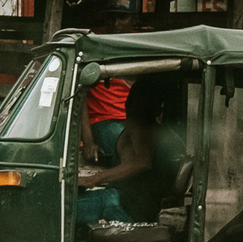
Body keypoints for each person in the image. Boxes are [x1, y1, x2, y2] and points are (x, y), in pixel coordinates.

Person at [78, 72, 187, 225]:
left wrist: (93, 179)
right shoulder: (159, 130)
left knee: (64, 207)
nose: (130, 101)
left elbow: (142, 161)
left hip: (124, 206)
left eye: (135, 96)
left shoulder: (140, 125)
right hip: (140, 209)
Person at [81, 0, 137, 166]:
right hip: (104, 120)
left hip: (136, 120)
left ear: (134, 19)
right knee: (130, 156)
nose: (116, 23)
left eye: (122, 17)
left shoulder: (141, 44)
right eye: (111, 17)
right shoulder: (91, 43)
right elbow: (79, 95)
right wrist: (88, 141)